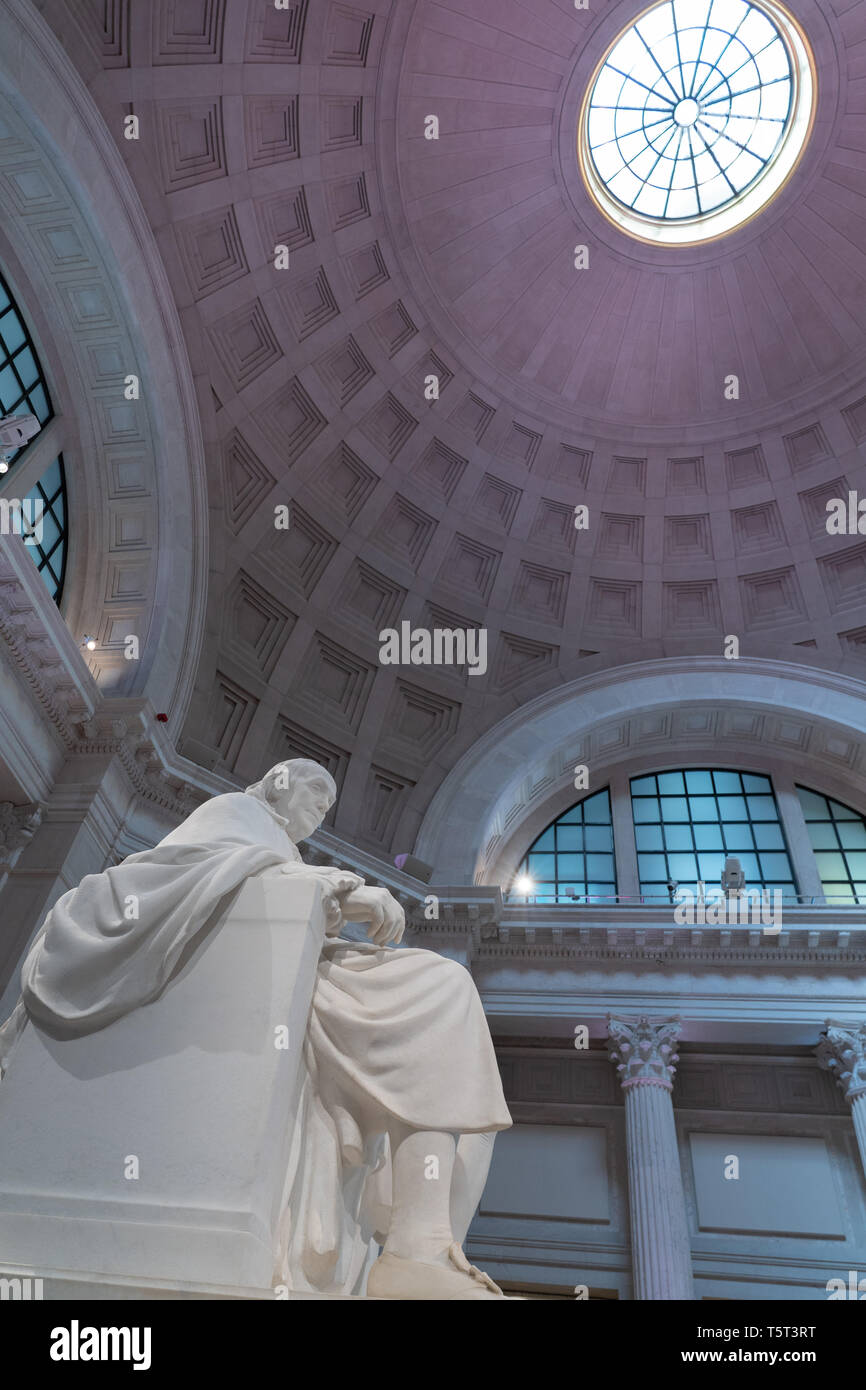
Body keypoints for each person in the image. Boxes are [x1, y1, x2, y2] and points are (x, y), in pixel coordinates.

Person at [0, 759, 514, 1300]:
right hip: (269, 981)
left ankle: (429, 1248)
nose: (321, 809)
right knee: (441, 988)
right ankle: (417, 1249)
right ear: (277, 782)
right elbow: (178, 875)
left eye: (327, 804)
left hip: (296, 978)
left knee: (465, 1085)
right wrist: (336, 888)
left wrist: (321, 892)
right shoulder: (237, 812)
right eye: (315, 793)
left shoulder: (281, 852)